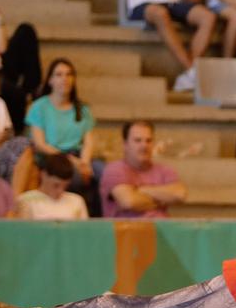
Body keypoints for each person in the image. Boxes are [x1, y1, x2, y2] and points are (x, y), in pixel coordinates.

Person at [25, 58, 98, 206]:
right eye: (59, 75)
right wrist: (73, 162)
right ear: (50, 80)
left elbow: (88, 141)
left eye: (69, 74)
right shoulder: (39, 107)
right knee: (75, 177)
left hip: (79, 156)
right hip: (52, 156)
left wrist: (84, 163)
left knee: (103, 173)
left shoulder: (83, 109)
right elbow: (40, 144)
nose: (65, 79)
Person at [101, 120, 186, 219]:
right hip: (126, 231)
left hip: (162, 230)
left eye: (148, 140)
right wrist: (160, 199)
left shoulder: (165, 170)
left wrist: (139, 190)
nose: (144, 146)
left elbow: (180, 194)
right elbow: (129, 202)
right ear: (125, 144)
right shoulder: (114, 169)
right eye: (138, 140)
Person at [14, 151, 87, 220]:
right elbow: (23, 231)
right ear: (43, 175)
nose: (60, 191)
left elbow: (84, 231)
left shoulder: (76, 201)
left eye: (65, 186)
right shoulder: (26, 200)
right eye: (55, 185)